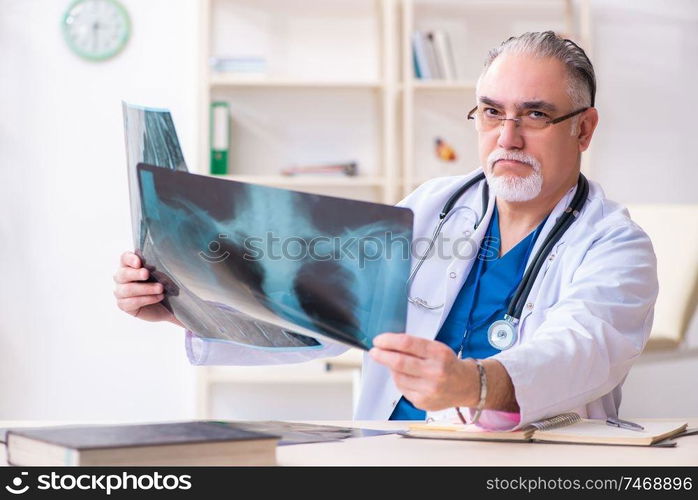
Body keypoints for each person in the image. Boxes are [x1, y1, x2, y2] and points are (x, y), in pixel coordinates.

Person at [113, 31, 658, 429]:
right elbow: (322, 315)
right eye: (492, 113)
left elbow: (583, 348)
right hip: (388, 447)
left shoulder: (615, 246)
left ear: (583, 129)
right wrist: (187, 301)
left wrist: (475, 383)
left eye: (534, 116)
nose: (507, 138)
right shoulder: (430, 208)